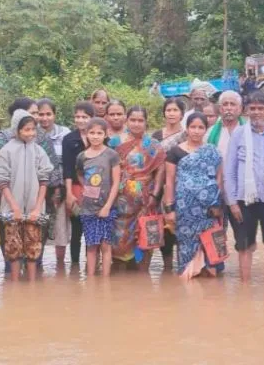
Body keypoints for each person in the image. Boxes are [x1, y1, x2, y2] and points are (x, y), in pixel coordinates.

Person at [224, 91, 264, 283]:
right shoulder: (239, 134)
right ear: (246, 111)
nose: (257, 112)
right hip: (244, 199)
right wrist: (232, 202)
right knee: (244, 246)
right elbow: (230, 171)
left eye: (261, 108)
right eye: (253, 109)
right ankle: (245, 288)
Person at [163, 113, 225, 281]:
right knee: (187, 248)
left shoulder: (212, 151)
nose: (196, 131)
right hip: (185, 211)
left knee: (210, 248)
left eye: (200, 127)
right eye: (193, 127)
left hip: (208, 211)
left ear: (205, 130)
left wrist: (217, 204)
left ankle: (210, 298)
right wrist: (169, 209)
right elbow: (169, 182)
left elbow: (218, 179)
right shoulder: (175, 152)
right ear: (187, 128)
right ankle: (188, 288)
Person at [0, 110, 54, 281]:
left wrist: (37, 208)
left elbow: (44, 180)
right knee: (13, 250)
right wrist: (14, 207)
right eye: (26, 129)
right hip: (12, 209)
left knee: (33, 248)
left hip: (35, 210)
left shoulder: (39, 151)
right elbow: (2, 181)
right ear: (17, 129)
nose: (30, 133)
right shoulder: (6, 151)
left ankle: (32, 287)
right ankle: (14, 285)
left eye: (33, 129)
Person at [112, 106, 166, 269]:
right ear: (127, 121)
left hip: (145, 200)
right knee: (119, 239)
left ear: (146, 122)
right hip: (120, 201)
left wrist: (154, 196)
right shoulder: (115, 142)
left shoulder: (154, 145)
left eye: (140, 120)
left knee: (144, 236)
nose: (136, 124)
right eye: (133, 120)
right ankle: (120, 277)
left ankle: (142, 275)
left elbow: (160, 172)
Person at [75, 118, 122, 277]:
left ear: (106, 134)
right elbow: (80, 175)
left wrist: (107, 206)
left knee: (106, 245)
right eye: (92, 133)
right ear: (86, 134)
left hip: (107, 208)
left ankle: (105, 281)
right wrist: (88, 189)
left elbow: (116, 182)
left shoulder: (111, 155)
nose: (95, 136)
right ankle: (91, 282)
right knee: (91, 245)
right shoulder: (82, 156)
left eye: (99, 133)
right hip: (88, 209)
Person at [60, 101, 95, 273]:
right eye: (78, 117)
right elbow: (67, 168)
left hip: (96, 189)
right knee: (76, 229)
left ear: (92, 118)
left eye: (85, 117)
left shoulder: (99, 136)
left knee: (93, 228)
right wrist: (68, 194)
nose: (80, 120)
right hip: (75, 188)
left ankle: (92, 266)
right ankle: (74, 267)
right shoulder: (69, 139)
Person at [37, 99, 71, 274]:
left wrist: (62, 187)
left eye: (48, 114)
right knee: (38, 226)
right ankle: (38, 262)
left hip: (61, 188)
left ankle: (60, 265)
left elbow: (68, 161)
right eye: (40, 114)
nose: (44, 118)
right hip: (37, 190)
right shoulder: (29, 132)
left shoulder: (64, 133)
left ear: (54, 115)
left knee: (60, 227)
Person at [151, 98, 186, 270]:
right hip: (159, 188)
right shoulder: (156, 136)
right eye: (168, 110)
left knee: (180, 227)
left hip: (181, 188)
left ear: (182, 113)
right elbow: (150, 163)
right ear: (164, 113)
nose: (171, 113)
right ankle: (167, 268)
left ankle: (182, 265)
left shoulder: (188, 134)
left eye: (175, 110)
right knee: (164, 230)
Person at [206, 91, 244, 158]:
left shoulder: (249, 130)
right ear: (220, 109)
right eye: (225, 104)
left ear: (240, 108)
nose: (229, 108)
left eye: (232, 104)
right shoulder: (209, 133)